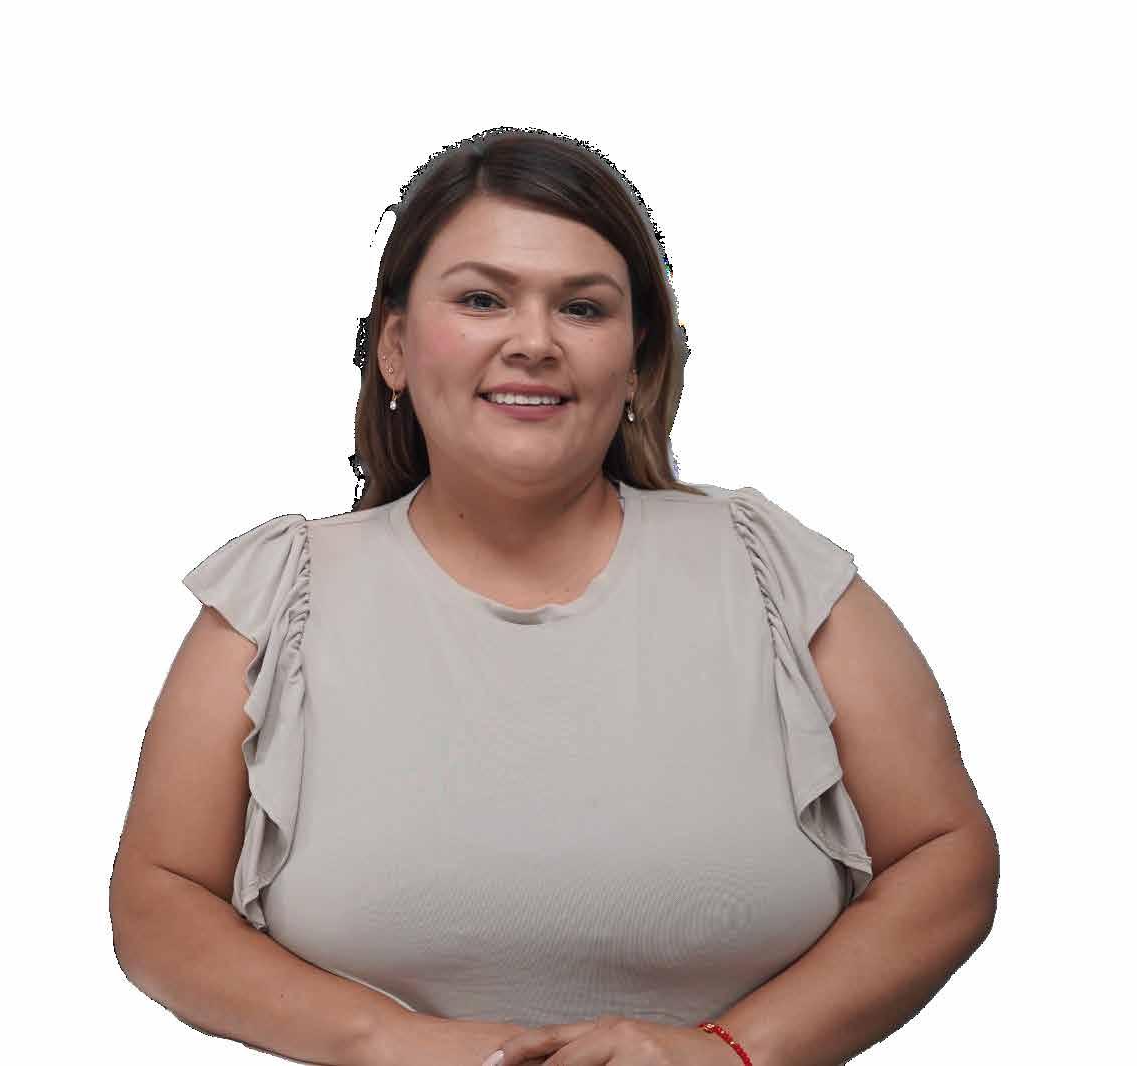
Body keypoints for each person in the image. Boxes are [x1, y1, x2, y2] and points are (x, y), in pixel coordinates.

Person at [110, 129, 999, 1066]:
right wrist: (387, 1042)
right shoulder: (272, 600)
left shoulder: (774, 573)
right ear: (395, 347)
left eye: (582, 307)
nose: (533, 342)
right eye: (482, 299)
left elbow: (945, 854)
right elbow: (157, 900)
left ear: (637, 358)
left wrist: (731, 1053)